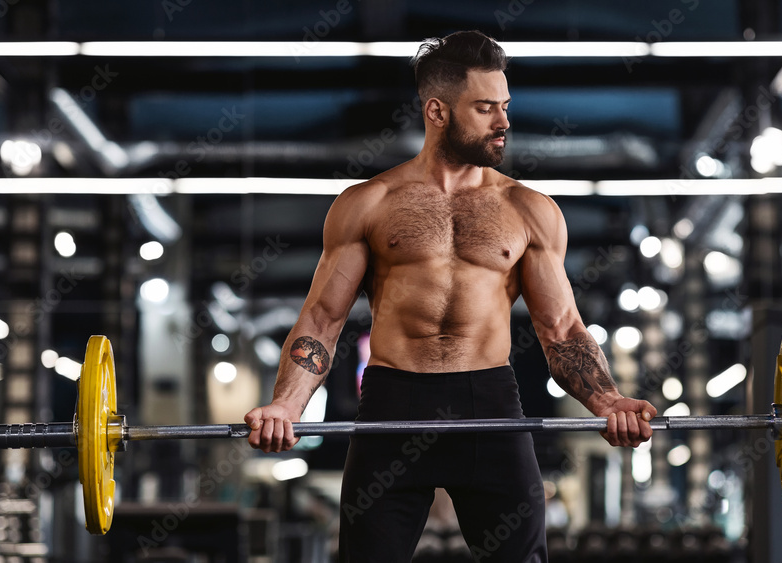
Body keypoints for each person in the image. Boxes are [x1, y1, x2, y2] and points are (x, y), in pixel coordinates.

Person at [245, 30, 657, 562]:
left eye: (505, 106)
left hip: (489, 405)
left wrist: (607, 400)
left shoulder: (529, 210)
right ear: (437, 111)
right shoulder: (368, 203)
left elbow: (561, 329)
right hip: (394, 407)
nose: (503, 122)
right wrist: (287, 405)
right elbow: (323, 318)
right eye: (485, 108)